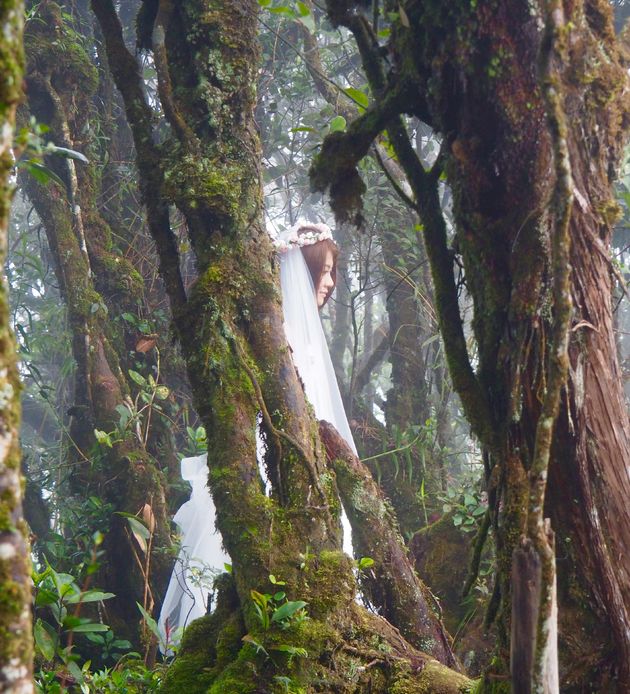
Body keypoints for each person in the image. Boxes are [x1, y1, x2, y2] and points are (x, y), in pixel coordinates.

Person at [158, 221, 355, 647]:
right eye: (324, 272)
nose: (329, 283)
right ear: (301, 272)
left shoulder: (299, 339)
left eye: (332, 274)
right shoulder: (284, 341)